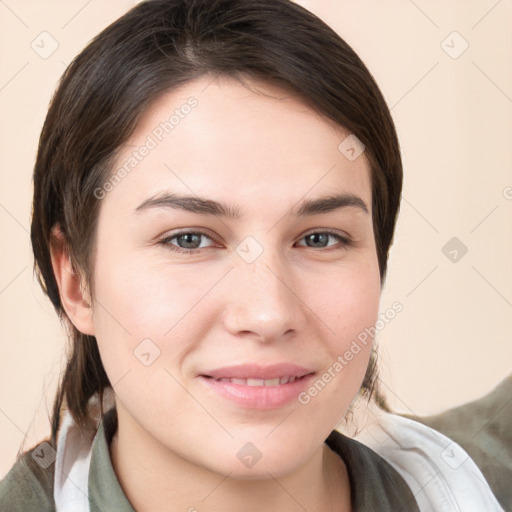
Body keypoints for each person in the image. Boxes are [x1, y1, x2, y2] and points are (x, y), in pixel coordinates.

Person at [0, 0, 510, 510]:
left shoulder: (473, 485)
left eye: (319, 238)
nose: (269, 313)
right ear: (75, 279)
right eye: (189, 239)